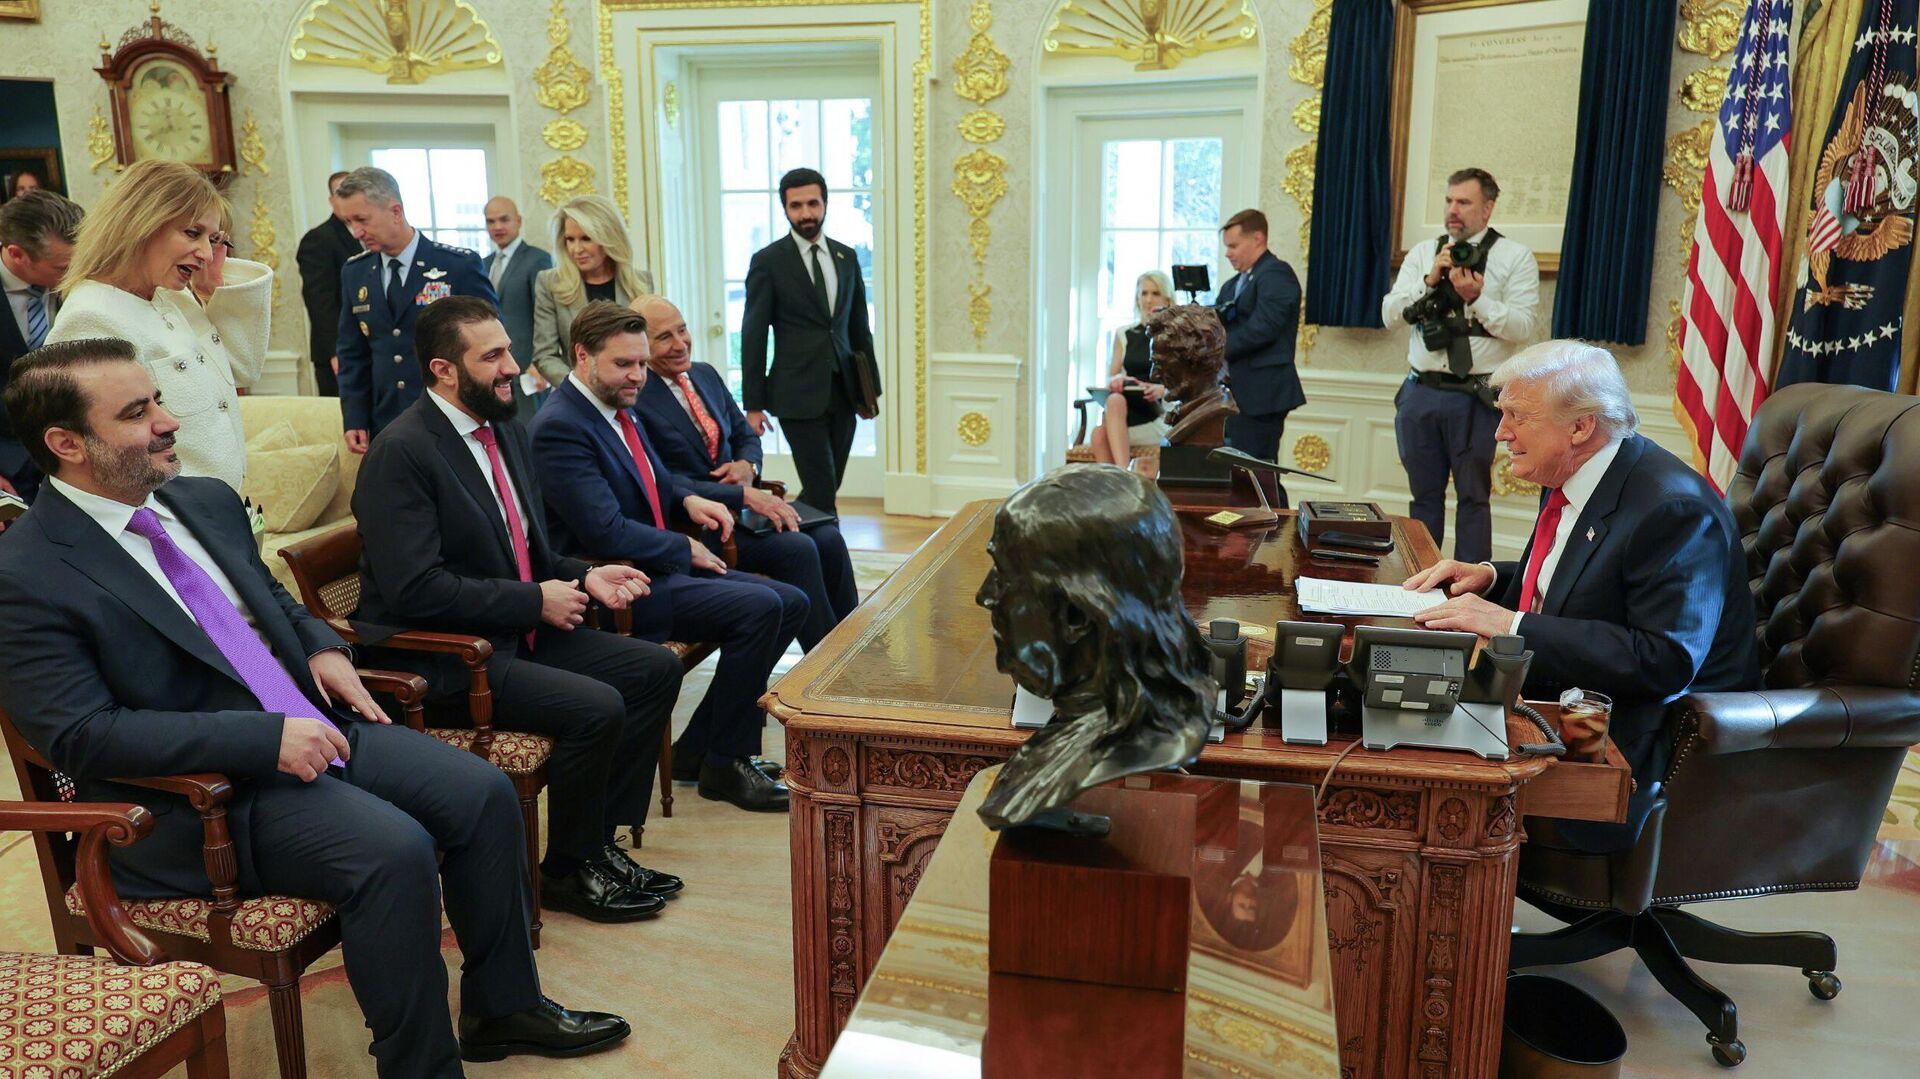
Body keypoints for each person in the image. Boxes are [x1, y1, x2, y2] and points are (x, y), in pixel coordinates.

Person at [0, 338, 631, 1077]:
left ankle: (503, 1006)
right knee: (394, 851)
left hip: (313, 727)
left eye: (158, 401)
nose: (168, 422)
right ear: (67, 443)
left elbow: (269, 599)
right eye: (137, 413)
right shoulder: (27, 573)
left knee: (484, 793)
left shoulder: (201, 501)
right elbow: (82, 735)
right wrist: (264, 737)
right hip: (201, 799)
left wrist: (320, 645)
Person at [353, 296, 685, 922]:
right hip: (450, 658)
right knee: (596, 706)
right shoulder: (402, 453)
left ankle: (596, 845)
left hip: (510, 630)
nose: (512, 366)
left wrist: (586, 574)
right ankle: (565, 870)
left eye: (508, 350)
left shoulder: (504, 427)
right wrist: (534, 600)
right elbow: (414, 590)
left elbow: (528, 550)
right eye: (493, 357)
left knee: (654, 670)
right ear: (444, 370)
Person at [1404, 340, 1759, 851]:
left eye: (1517, 417)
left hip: (1628, 743)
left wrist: (1508, 623)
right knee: (1399, 716)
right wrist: (1490, 577)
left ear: (1580, 427)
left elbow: (1663, 661)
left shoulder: (1673, 510)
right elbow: (1581, 581)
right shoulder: (1575, 471)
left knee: (1423, 782)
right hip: (1561, 698)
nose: (1500, 432)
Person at [530, 302, 805, 812]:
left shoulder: (616, 405)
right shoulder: (561, 426)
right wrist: (683, 546)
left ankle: (701, 750)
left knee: (791, 601)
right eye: (624, 364)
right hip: (618, 585)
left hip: (654, 565)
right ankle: (727, 760)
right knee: (764, 606)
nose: (638, 375)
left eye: (641, 362)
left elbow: (655, 479)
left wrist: (687, 499)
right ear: (582, 356)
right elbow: (604, 530)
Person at [632, 294, 859, 652]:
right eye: (665, 337)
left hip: (746, 515)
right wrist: (741, 494)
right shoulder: (638, 395)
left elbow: (745, 435)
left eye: (682, 330)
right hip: (701, 525)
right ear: (642, 346)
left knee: (829, 536)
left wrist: (747, 466)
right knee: (798, 548)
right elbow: (662, 480)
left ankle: (856, 646)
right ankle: (827, 663)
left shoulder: (704, 374)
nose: (680, 343)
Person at [47, 159, 267, 493]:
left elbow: (244, 369)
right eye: (193, 233)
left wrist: (214, 290)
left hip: (220, 507)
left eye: (213, 239)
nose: (207, 254)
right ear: (141, 222)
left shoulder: (174, 298)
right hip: (173, 516)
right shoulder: (91, 316)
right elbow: (107, 459)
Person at [1382, 167, 1542, 563]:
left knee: (1474, 498)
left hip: (1476, 396)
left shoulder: (1514, 256)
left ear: (1487, 208)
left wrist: (1477, 299)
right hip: (1420, 392)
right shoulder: (1424, 252)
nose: (1453, 209)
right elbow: (1390, 315)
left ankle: (1470, 588)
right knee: (1423, 498)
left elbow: (1523, 327)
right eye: (1449, 201)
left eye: (1464, 202)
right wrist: (1429, 280)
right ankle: (1420, 576)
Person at [739, 167, 877, 515]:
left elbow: (859, 328)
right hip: (795, 394)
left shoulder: (846, 257)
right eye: (796, 206)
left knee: (828, 485)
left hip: (844, 390)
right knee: (821, 486)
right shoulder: (768, 262)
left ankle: (795, 532)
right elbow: (754, 334)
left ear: (825, 204)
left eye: (813, 204)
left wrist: (870, 391)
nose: (806, 213)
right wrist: (753, 405)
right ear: (785, 209)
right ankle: (829, 548)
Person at [333, 165, 497, 452]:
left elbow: (491, 345)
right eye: (349, 222)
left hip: (453, 418)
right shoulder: (355, 272)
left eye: (362, 219)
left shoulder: (457, 266)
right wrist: (355, 416)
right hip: (386, 420)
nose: (356, 232)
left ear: (395, 211)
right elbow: (352, 353)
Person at [0, 189, 81, 505]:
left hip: (82, 459)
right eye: (62, 267)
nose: (75, 273)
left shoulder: (83, 284)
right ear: (17, 254)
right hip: (12, 469)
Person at [530, 194, 653, 394]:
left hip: (634, 393)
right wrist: (582, 388)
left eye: (586, 238)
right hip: (576, 395)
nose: (576, 249)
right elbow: (545, 355)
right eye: (570, 239)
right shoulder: (550, 283)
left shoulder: (641, 283)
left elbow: (651, 347)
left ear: (608, 237)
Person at [1212, 209, 1303, 462]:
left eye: (1233, 246)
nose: (1227, 253)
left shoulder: (1277, 274)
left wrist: (1216, 348)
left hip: (1261, 395)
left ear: (1257, 239)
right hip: (1234, 395)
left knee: (1257, 471)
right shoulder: (1232, 285)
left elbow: (1264, 327)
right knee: (1237, 471)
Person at [1090, 270, 1172, 471]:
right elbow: (1112, 376)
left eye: (1155, 293)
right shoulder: (1124, 334)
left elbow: (1185, 383)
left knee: (1108, 417)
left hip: (1158, 412)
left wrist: (1161, 389)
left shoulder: (1174, 335)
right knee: (1099, 432)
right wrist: (1118, 379)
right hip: (1128, 409)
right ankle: (1120, 482)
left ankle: (1124, 478)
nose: (1148, 299)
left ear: (1167, 299)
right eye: (1144, 293)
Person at [483, 195, 554, 415]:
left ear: (519, 221)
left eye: (504, 219)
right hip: (492, 369)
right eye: (491, 221)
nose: (497, 227)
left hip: (528, 369)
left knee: (528, 428)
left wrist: (539, 362)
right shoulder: (484, 263)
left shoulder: (537, 259)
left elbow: (544, 316)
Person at [294, 170, 362, 397]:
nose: (348, 196)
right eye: (342, 192)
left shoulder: (370, 235)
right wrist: (336, 351)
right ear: (332, 200)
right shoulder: (318, 239)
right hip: (338, 353)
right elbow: (319, 301)